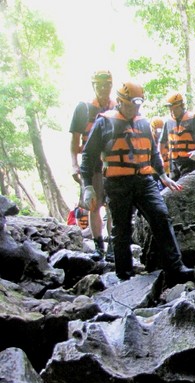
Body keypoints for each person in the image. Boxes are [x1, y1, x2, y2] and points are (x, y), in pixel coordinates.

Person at [80, 80, 195, 286]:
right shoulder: (103, 122)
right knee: (122, 228)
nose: (136, 108)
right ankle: (124, 274)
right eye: (132, 104)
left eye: (139, 104)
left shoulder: (143, 123)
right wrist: (87, 185)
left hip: (144, 181)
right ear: (121, 101)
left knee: (161, 216)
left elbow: (153, 153)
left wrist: (163, 176)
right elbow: (88, 156)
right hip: (117, 183)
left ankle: (176, 268)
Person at [69, 69, 116, 262]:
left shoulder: (117, 106)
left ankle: (113, 246)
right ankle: (99, 246)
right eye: (99, 85)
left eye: (107, 85)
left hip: (113, 166)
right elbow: (74, 142)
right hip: (92, 165)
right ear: (93, 86)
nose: (103, 89)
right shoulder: (84, 108)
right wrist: (74, 165)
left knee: (113, 206)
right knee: (93, 205)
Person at [160, 92, 195, 181]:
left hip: (190, 161)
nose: (172, 111)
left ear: (181, 106)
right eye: (170, 109)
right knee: (174, 190)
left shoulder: (193, 118)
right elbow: (162, 143)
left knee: (188, 188)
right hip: (174, 164)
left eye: (175, 109)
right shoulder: (168, 122)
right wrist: (163, 159)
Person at [150, 116, 169, 189]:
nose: (159, 132)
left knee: (168, 190)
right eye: (157, 130)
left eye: (161, 129)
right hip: (152, 171)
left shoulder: (167, 137)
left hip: (166, 170)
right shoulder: (149, 139)